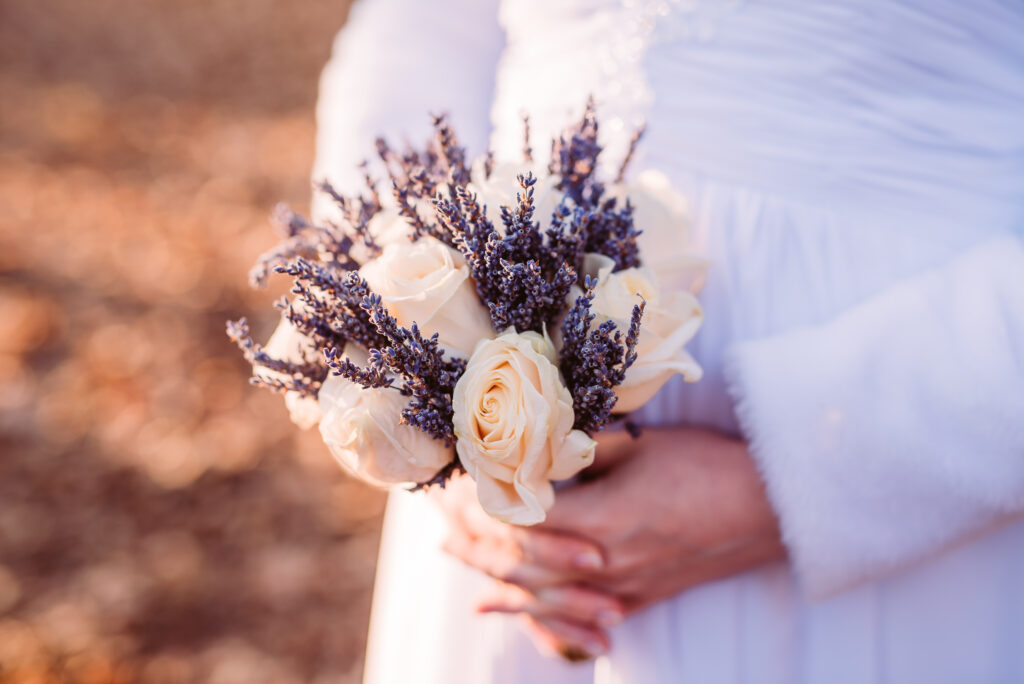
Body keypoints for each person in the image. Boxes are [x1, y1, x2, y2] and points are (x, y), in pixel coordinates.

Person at [312, 1, 1024, 682]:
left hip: (917, 471)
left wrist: (793, 486)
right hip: (504, 512)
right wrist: (414, 378)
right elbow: (417, 40)